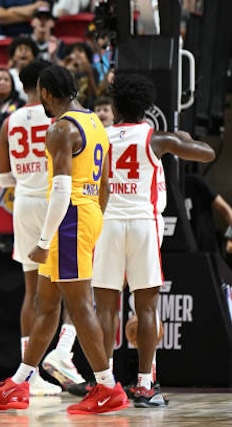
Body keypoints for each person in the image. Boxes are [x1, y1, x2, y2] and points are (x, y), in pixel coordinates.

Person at [0, 64, 129, 414]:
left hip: (68, 218)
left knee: (79, 307)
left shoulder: (60, 129)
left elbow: (61, 190)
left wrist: (45, 240)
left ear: (46, 93)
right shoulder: (95, 121)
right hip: (87, 212)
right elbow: (106, 181)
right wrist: (96, 220)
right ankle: (20, 382)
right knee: (47, 306)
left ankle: (107, 386)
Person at [92, 72, 215, 407]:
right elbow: (207, 155)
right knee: (146, 308)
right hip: (144, 225)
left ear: (114, 105)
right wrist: (185, 136)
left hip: (108, 224)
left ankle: (105, 384)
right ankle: (145, 385)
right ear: (146, 108)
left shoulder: (100, 136)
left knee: (105, 309)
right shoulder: (157, 138)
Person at [0, 59, 86, 396]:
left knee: (32, 291)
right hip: (55, 199)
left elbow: (2, 177)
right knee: (70, 286)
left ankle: (29, 373)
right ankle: (62, 353)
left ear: (22, 84)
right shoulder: (63, 119)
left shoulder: (10, 120)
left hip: (24, 201)